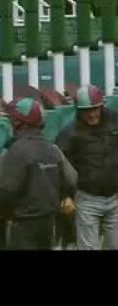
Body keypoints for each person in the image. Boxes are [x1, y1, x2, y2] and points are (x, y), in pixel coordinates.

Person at [0, 97, 76, 250]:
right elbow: (72, 181)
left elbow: (3, 194)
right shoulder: (53, 150)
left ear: (16, 122)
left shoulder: (13, 152)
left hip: (21, 227)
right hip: (49, 225)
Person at [56, 84, 118, 250]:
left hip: (115, 196)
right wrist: (65, 196)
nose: (92, 114)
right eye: (87, 110)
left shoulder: (115, 121)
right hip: (87, 198)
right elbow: (59, 166)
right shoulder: (69, 133)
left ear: (101, 106)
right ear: (79, 110)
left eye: (95, 109)